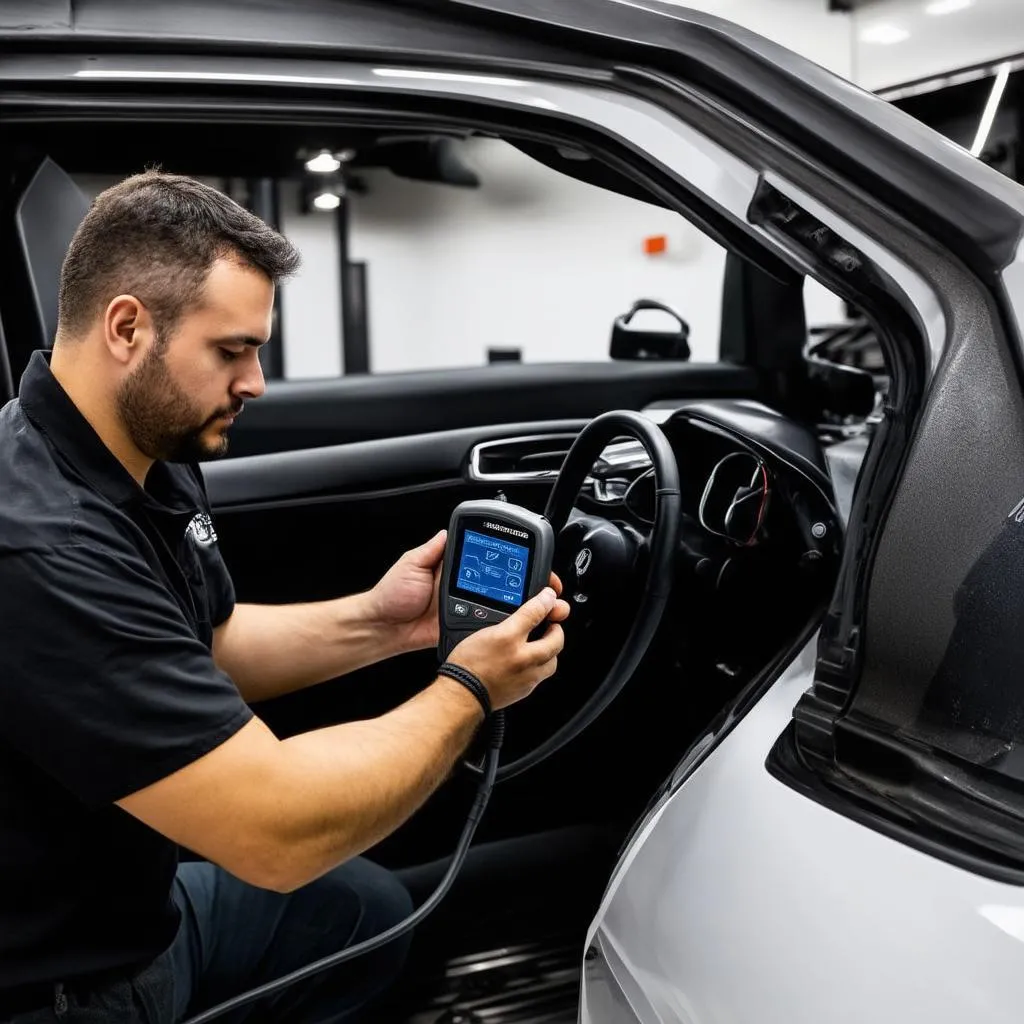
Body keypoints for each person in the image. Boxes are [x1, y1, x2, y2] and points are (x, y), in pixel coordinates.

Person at [0, 171, 569, 1023]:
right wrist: (471, 689)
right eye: (232, 350)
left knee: (363, 912)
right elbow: (277, 831)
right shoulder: (41, 543)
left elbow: (210, 645)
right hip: (69, 984)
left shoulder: (142, 451)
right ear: (127, 328)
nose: (256, 381)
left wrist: (383, 624)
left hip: (139, 904)